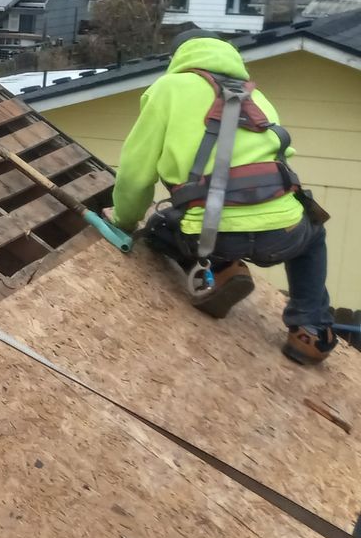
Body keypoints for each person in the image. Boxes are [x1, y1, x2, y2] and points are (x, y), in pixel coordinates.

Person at [109, 28, 339, 365]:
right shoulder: (256, 96)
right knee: (313, 236)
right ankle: (310, 329)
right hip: (283, 235)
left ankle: (222, 269)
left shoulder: (168, 89)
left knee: (160, 227)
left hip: (211, 237)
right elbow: (283, 154)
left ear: (179, 58)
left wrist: (124, 222)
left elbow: (135, 173)